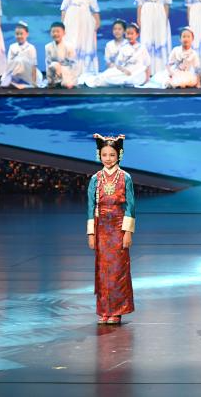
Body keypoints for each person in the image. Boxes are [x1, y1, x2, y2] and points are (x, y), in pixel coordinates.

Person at [87, 133, 135, 325]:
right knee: (102, 270)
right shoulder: (95, 178)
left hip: (118, 227)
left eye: (112, 155)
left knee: (118, 270)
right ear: (99, 155)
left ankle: (117, 310)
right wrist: (91, 233)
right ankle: (104, 310)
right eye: (104, 154)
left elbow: (130, 206)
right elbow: (90, 206)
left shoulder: (125, 177)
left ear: (119, 155)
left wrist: (128, 232)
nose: (108, 158)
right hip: (101, 228)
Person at [60, 0, 100, 75]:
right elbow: (63, 8)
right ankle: (70, 71)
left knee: (83, 43)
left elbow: (95, 10)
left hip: (85, 21)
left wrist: (97, 24)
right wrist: (62, 25)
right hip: (71, 20)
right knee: (71, 42)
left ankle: (83, 70)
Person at [136, 0, 172, 75]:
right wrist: (139, 19)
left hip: (159, 12)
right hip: (146, 12)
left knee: (159, 38)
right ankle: (147, 71)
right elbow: (139, 3)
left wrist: (165, 19)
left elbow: (166, 3)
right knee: (147, 39)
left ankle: (161, 70)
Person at [84, 22, 151, 87]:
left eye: (132, 34)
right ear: (125, 34)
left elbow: (148, 64)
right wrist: (124, 70)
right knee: (108, 76)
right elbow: (118, 64)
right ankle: (100, 80)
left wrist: (147, 78)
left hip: (138, 73)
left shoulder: (142, 48)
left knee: (131, 78)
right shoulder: (123, 48)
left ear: (137, 35)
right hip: (125, 72)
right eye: (128, 34)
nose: (129, 36)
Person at [0, 21, 41, 88]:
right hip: (15, 72)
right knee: (16, 62)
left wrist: (34, 81)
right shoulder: (12, 47)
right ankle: (12, 81)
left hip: (27, 73)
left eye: (21, 34)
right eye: (17, 34)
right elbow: (9, 64)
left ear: (27, 34)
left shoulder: (31, 47)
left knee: (20, 60)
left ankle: (22, 83)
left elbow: (33, 65)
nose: (19, 36)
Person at [45, 22, 80, 88]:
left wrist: (73, 80)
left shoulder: (69, 46)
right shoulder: (48, 47)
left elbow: (74, 65)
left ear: (64, 33)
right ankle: (54, 82)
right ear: (50, 33)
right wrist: (49, 80)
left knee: (66, 84)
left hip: (67, 72)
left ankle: (65, 81)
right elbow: (48, 64)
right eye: (53, 32)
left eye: (58, 31)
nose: (55, 34)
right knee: (54, 65)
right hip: (54, 71)